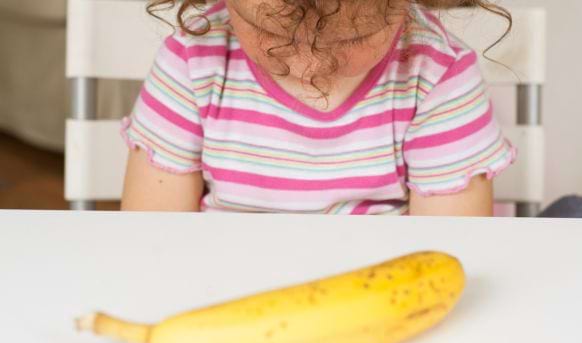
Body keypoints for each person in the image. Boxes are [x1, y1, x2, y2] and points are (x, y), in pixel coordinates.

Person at [120, 0, 516, 216]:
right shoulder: (193, 61)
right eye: (270, 35)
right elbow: (153, 236)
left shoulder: (437, 72)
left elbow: (449, 253)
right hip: (223, 290)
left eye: (349, 41)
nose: (308, 67)